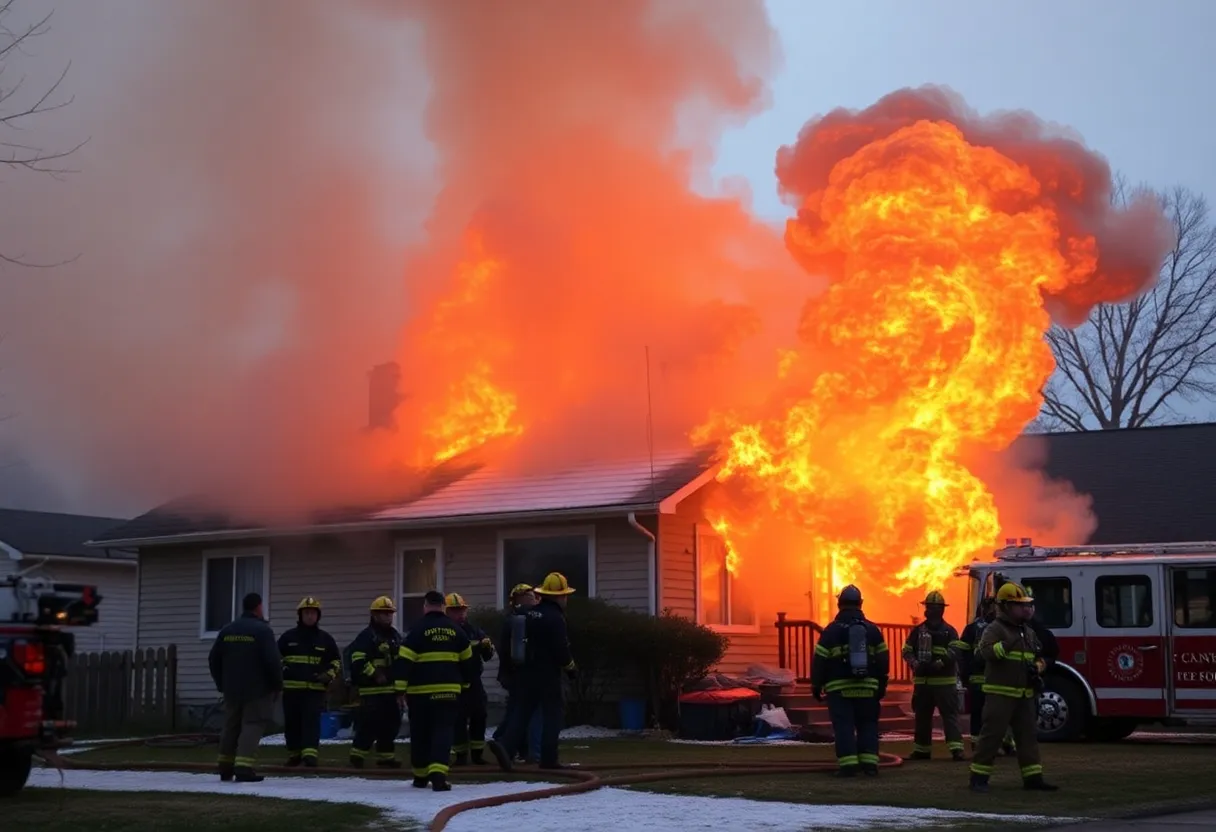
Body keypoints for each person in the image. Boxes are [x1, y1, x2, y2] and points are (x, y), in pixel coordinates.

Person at [969, 582, 1059, 793]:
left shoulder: (1028, 632)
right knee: (992, 736)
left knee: (1028, 738)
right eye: (1020, 605)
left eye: (1027, 604)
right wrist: (1009, 643)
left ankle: (1033, 778)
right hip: (1000, 694)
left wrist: (1039, 666)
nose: (1026, 609)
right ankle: (978, 778)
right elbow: (987, 653)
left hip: (1025, 694)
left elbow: (1040, 655)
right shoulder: (994, 629)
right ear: (1006, 607)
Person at [487, 572, 578, 771]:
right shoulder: (555, 617)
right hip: (547, 675)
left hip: (524, 673)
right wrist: (571, 669)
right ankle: (548, 759)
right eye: (564, 595)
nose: (566, 599)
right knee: (553, 715)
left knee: (522, 712)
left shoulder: (528, 614)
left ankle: (506, 747)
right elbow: (561, 649)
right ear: (559, 596)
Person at [395, 590, 477, 791]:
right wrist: (464, 686)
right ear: (443, 607)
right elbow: (469, 665)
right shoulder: (457, 631)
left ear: (425, 606)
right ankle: (438, 775)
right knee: (443, 731)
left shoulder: (416, 631)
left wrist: (399, 690)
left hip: (419, 694)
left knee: (420, 732)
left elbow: (404, 662)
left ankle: (420, 776)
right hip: (449, 692)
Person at [810, 584, 889, 777]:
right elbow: (883, 660)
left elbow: (819, 660)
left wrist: (816, 684)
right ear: (860, 604)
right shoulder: (872, 630)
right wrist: (881, 684)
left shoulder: (831, 631)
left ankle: (848, 767)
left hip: (839, 689)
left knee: (844, 726)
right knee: (868, 725)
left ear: (839, 604)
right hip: (868, 688)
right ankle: (870, 766)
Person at [208, 592, 282, 783]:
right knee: (252, 725)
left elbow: (213, 659)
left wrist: (221, 683)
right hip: (257, 690)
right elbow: (272, 662)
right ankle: (243, 767)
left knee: (231, 726)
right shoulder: (262, 631)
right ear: (258, 607)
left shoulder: (227, 630)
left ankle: (225, 767)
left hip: (231, 690)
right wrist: (276, 686)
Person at [277, 596, 342, 767]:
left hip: (315, 690)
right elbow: (276, 659)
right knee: (292, 723)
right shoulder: (287, 638)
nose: (310, 616)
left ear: (318, 616)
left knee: (311, 723)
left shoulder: (325, 639)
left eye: (313, 613)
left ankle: (310, 755)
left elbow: (336, 661)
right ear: (300, 615)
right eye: (306, 613)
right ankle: (294, 754)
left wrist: (329, 675)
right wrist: (284, 671)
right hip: (291, 690)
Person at [903, 590, 966, 761]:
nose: (929, 611)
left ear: (940, 610)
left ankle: (956, 749)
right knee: (922, 717)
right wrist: (914, 663)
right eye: (928, 607)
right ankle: (922, 750)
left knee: (950, 717)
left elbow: (955, 650)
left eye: (932, 608)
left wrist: (941, 662)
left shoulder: (949, 631)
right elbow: (907, 651)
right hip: (923, 683)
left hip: (944, 683)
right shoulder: (918, 631)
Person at [347, 595, 405, 768]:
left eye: (390, 613)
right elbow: (357, 659)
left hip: (391, 689)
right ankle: (357, 755)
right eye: (384, 613)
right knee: (369, 725)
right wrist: (374, 673)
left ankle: (386, 757)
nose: (388, 616)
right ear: (374, 615)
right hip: (372, 690)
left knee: (391, 724)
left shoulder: (395, 636)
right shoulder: (366, 636)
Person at [958, 596, 1014, 756]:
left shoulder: (978, 627)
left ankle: (999, 744)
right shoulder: (999, 627)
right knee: (986, 715)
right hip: (986, 680)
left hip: (990, 679)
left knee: (993, 715)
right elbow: (964, 654)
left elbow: (964, 655)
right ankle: (984, 745)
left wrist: (965, 676)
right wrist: (965, 676)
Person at [494, 583, 542, 763]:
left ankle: (510, 745)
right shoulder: (532, 618)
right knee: (526, 712)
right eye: (532, 596)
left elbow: (503, 650)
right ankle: (514, 746)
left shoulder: (511, 620)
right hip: (524, 675)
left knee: (517, 710)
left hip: (512, 675)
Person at [445, 592, 495, 765]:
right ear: (447, 612)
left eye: (462, 610)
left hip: (474, 682)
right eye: (455, 610)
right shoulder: (445, 632)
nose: (460, 614)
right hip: (454, 683)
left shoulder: (474, 631)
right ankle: (460, 757)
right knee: (458, 720)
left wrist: (488, 647)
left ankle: (477, 755)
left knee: (479, 716)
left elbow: (487, 656)